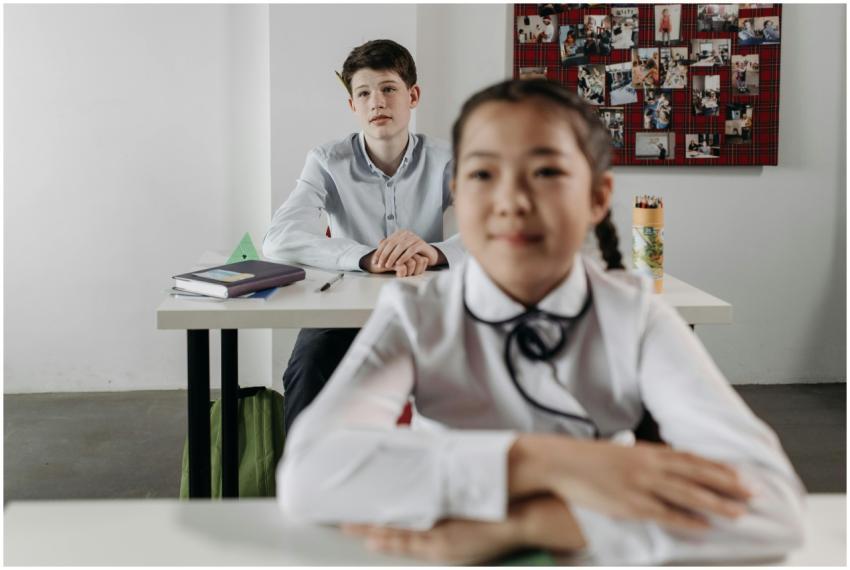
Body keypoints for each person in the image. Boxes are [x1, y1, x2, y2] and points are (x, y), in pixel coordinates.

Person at [276, 79, 804, 564]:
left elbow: (774, 509)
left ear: (598, 197)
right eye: (483, 174)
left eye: (547, 171)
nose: (512, 201)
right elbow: (308, 476)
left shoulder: (634, 315)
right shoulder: (417, 314)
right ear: (459, 189)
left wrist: (526, 522)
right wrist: (550, 464)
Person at [263, 39, 465, 434]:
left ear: (413, 95)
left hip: (423, 310)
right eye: (364, 93)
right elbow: (279, 237)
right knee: (305, 371)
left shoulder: (447, 159)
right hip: (340, 315)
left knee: (475, 374)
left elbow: (495, 232)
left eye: (389, 89)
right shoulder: (326, 160)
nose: (377, 102)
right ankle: (306, 490)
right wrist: (362, 257)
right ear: (352, 105)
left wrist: (435, 252)